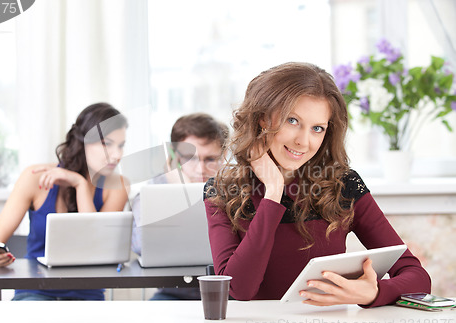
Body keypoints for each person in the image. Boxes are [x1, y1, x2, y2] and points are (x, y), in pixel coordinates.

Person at [203, 62, 431, 307]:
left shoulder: (343, 184)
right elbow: (239, 289)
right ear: (262, 119)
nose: (304, 141)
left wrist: (373, 293)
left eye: (317, 128)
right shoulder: (223, 191)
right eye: (292, 121)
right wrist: (273, 192)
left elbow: (417, 278)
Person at [0, 102, 129, 301]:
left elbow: (95, 245)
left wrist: (80, 185)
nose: (117, 155)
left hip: (87, 295)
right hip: (34, 292)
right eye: (107, 144)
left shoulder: (118, 185)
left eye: (121, 145)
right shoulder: (33, 177)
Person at [131, 112, 229, 300]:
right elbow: (141, 245)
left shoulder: (234, 190)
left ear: (223, 156)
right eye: (190, 158)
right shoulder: (152, 192)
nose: (200, 169)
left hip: (227, 294)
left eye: (210, 159)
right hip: (171, 293)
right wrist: (180, 190)